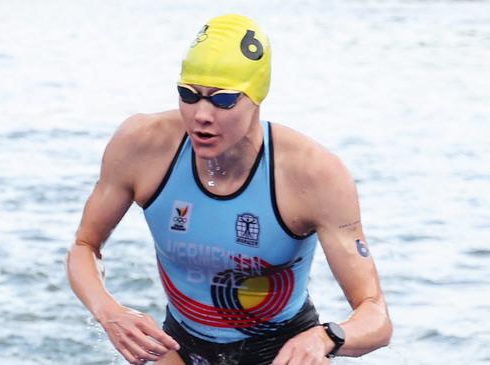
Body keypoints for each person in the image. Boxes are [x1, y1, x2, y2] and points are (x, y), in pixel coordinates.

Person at [67, 14, 392, 365]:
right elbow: (85, 246)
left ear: (256, 97)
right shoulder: (142, 145)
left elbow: (375, 316)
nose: (201, 114)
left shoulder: (313, 173)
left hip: (285, 351)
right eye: (189, 95)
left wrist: (325, 338)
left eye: (222, 101)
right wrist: (108, 310)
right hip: (178, 346)